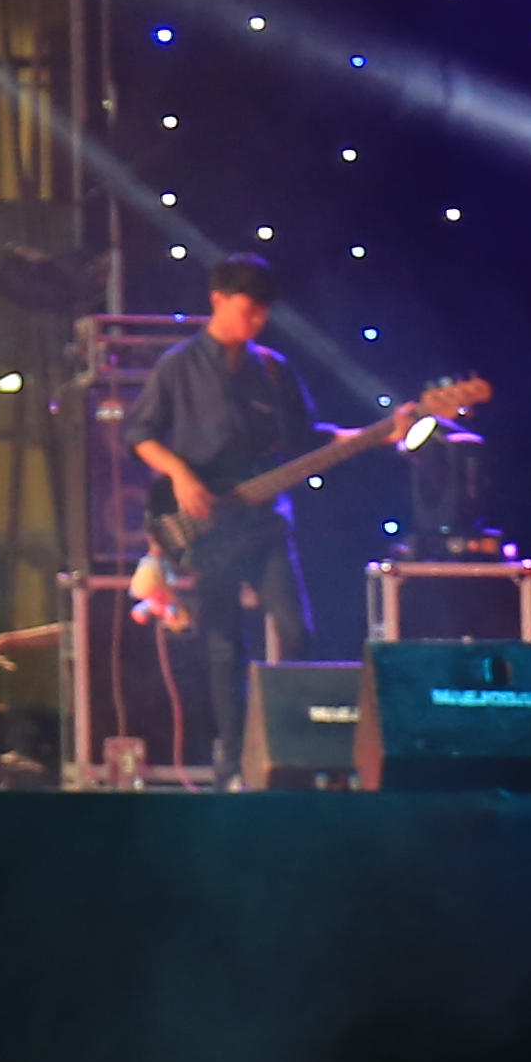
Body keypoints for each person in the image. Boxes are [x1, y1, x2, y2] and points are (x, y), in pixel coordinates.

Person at [131, 255, 329, 774]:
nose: (256, 322)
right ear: (217, 300)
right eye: (247, 311)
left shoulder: (273, 368)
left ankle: (294, 750)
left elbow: (310, 437)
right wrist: (180, 474)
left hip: (265, 524)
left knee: (296, 630)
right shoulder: (178, 365)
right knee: (223, 649)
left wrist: (378, 433)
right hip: (208, 529)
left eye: (263, 313)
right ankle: (232, 763)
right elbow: (141, 434)